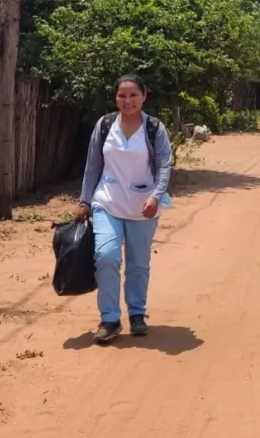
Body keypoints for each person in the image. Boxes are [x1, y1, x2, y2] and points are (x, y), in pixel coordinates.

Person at [76, 75, 173, 344]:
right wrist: (85, 201)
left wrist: (156, 196)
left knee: (138, 263)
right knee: (106, 256)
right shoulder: (105, 125)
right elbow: (92, 164)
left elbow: (165, 165)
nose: (127, 101)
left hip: (144, 208)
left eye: (133, 95)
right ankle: (109, 318)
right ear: (115, 98)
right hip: (107, 202)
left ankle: (137, 313)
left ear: (144, 96)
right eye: (122, 95)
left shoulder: (154, 128)